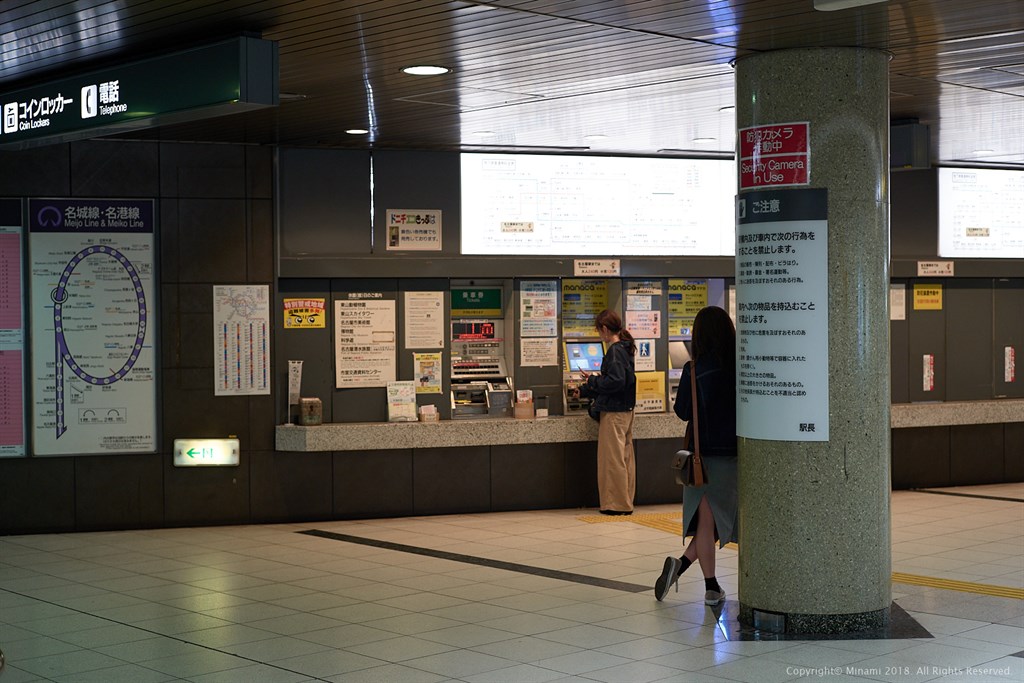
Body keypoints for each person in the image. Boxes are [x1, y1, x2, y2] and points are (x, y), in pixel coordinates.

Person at [655, 305, 737, 606]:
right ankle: (702, 580)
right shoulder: (740, 366)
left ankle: (706, 583)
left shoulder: (694, 370)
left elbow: (683, 412)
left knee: (707, 523)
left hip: (703, 458)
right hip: (733, 456)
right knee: (715, 522)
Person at [577, 309, 637, 515]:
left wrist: (592, 380)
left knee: (612, 459)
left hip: (614, 412)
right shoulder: (626, 347)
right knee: (625, 457)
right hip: (626, 410)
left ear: (604, 329)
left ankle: (616, 504)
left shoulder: (615, 350)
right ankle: (626, 501)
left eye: (598, 330)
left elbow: (615, 381)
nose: (599, 334)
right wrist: (591, 384)